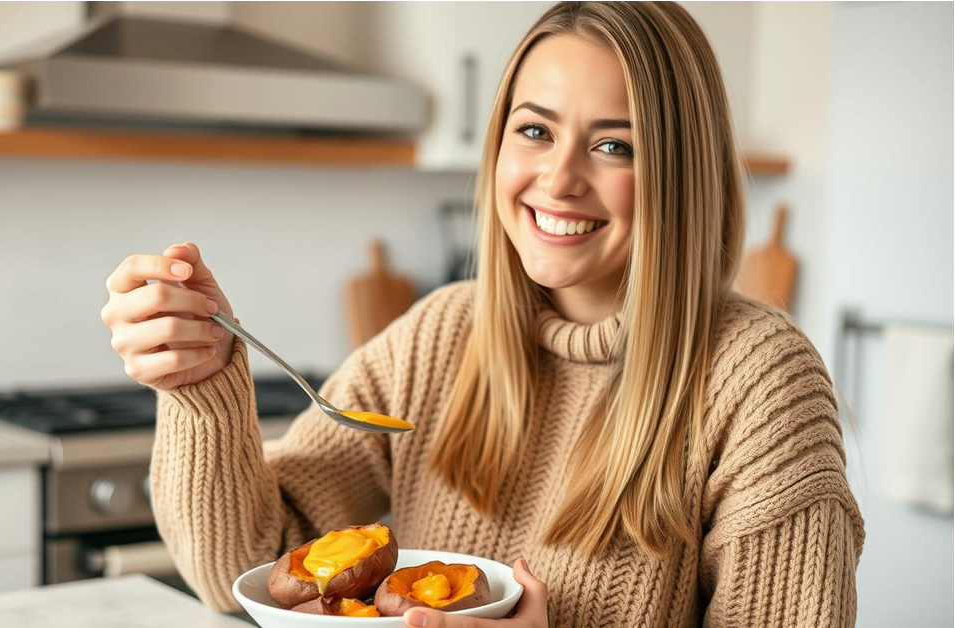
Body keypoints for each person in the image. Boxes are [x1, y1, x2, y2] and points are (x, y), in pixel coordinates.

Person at [101, 2, 865, 626]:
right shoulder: (442, 335)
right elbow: (255, 568)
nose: (557, 179)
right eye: (534, 131)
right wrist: (202, 387)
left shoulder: (762, 383)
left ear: (682, 173)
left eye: (613, 146)